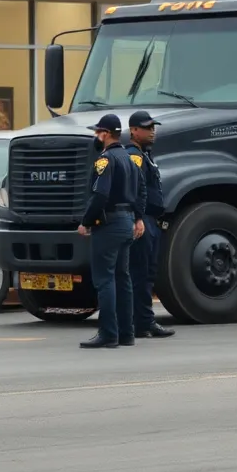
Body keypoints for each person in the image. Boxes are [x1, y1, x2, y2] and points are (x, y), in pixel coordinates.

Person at [77, 113, 142, 349]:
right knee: (122, 278)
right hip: (126, 222)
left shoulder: (105, 160)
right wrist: (137, 218)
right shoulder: (129, 158)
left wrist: (86, 221)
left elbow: (100, 195)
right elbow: (138, 192)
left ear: (105, 134)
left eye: (98, 132)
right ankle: (127, 333)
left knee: (104, 279)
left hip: (109, 224)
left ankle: (108, 333)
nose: (96, 136)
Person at [126, 110, 174, 339]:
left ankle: (143, 322)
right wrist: (137, 218)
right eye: (147, 128)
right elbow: (134, 190)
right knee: (141, 274)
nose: (152, 131)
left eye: (153, 127)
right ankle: (141, 322)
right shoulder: (134, 156)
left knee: (147, 274)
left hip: (150, 220)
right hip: (142, 220)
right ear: (133, 130)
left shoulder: (145, 155)